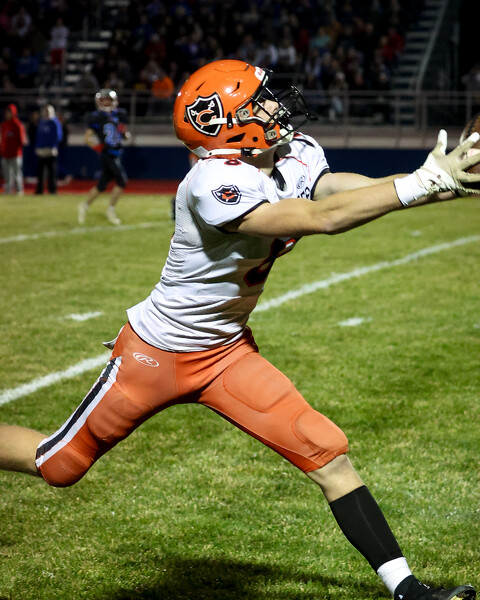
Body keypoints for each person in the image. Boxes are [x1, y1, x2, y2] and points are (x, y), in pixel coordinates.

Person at [1, 60, 479, 600]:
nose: (275, 105)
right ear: (224, 120)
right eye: (259, 100)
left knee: (327, 452)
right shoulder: (213, 181)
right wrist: (418, 185)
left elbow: (336, 190)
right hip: (156, 354)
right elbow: (318, 218)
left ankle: (407, 589)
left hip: (226, 354)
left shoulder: (288, 152)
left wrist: (445, 184)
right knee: (61, 465)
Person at [78, 89, 130, 226]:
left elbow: (125, 135)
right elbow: (87, 138)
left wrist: (124, 134)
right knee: (121, 181)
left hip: (116, 153)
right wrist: (98, 147)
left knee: (102, 185)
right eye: (104, 100)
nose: (107, 103)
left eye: (109, 100)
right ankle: (110, 210)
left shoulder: (118, 115)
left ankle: (84, 206)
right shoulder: (97, 117)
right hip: (107, 153)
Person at [34, 104, 63, 195]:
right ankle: (40, 190)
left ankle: (52, 190)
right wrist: (38, 146)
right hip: (41, 150)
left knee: (52, 172)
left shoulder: (54, 122)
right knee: (40, 172)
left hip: (50, 150)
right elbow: (39, 136)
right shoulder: (42, 122)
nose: (46, 113)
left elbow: (58, 137)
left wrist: (51, 145)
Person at [0, 103, 26, 195]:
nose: (7, 114)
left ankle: (19, 190)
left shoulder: (17, 124)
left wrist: (16, 149)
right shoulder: (3, 125)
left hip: (15, 153)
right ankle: (8, 190)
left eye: (9, 112)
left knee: (16, 172)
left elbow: (22, 140)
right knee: (7, 173)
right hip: (5, 153)